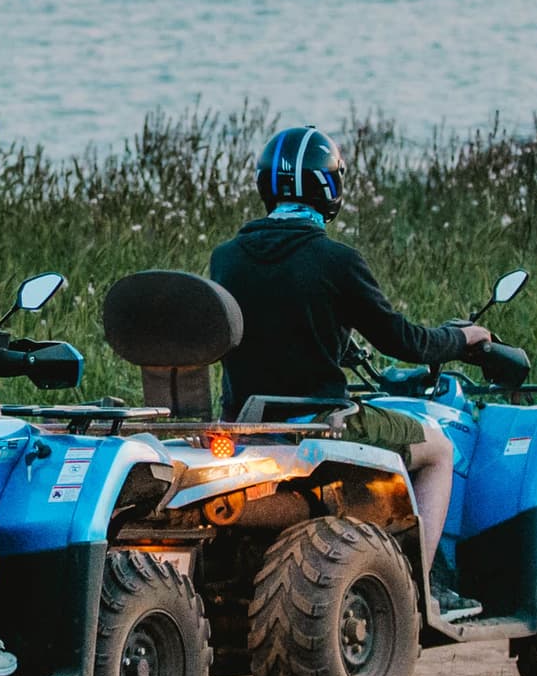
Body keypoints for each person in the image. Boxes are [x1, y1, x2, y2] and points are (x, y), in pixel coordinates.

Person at [205, 128, 498, 615]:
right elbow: (407, 342)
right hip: (322, 420)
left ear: (264, 186)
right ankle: (422, 589)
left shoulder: (226, 258)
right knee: (440, 451)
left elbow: (264, 327)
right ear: (331, 189)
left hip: (248, 426)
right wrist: (464, 337)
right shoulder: (337, 261)